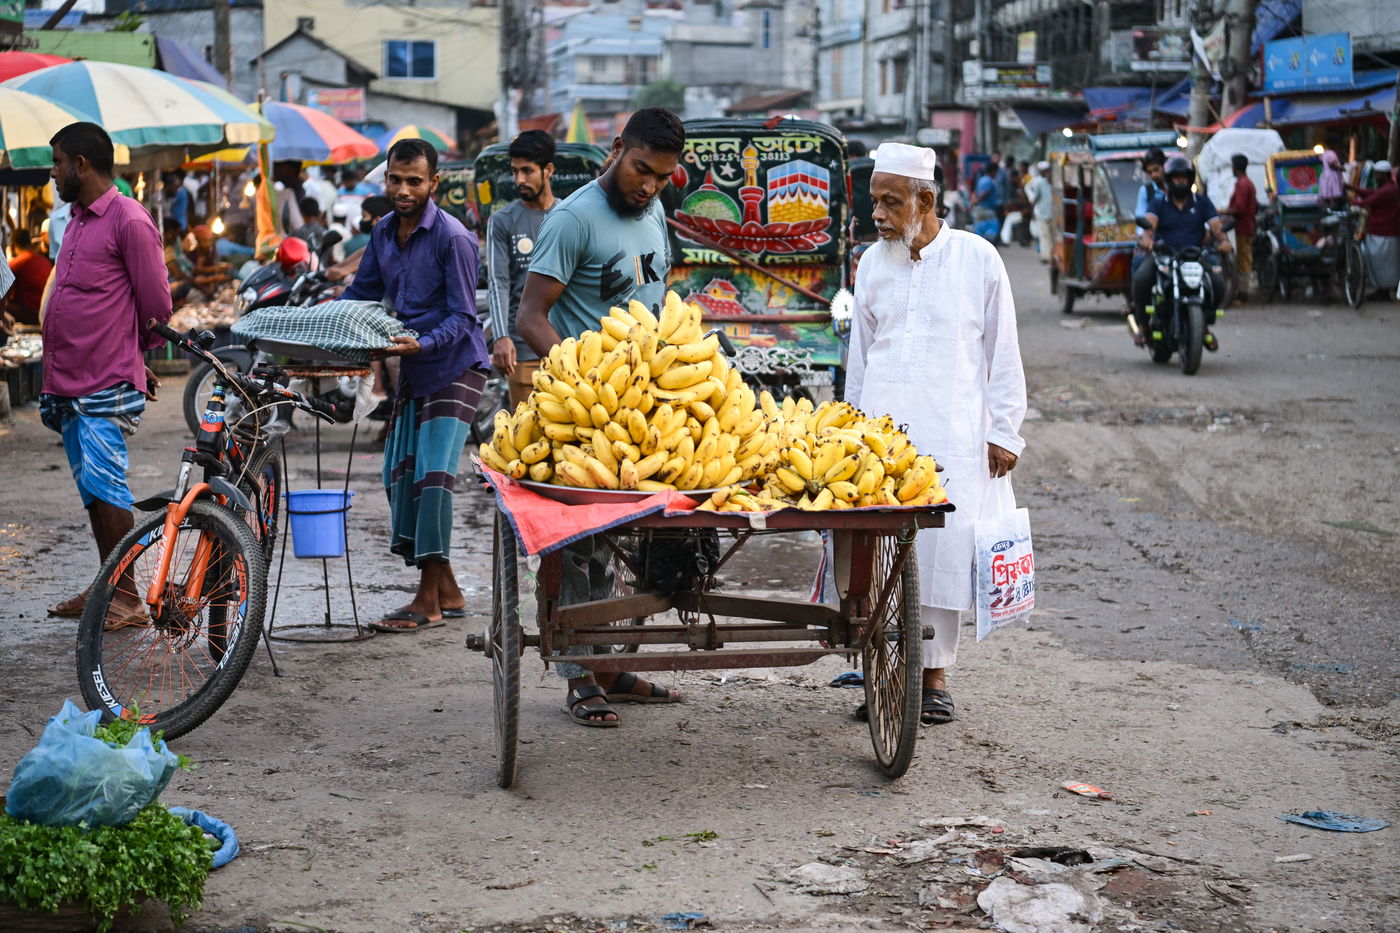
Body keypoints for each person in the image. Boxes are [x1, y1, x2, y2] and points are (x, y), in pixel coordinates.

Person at [516, 107, 686, 727]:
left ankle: (614, 665)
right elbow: (531, 316)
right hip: (586, 407)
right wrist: (581, 375)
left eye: (662, 177)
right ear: (617, 148)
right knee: (583, 546)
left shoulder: (654, 211)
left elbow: (657, 294)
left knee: (644, 542)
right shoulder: (572, 219)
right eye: (641, 169)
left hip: (648, 404)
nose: (647, 185)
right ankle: (580, 673)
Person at [846, 142, 1026, 726]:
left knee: (944, 555)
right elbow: (860, 358)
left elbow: (1002, 351)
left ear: (926, 200)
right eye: (875, 201)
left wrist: (1005, 431)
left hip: (953, 433)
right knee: (876, 558)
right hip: (879, 437)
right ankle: (881, 675)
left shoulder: (977, 259)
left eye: (891, 202)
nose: (879, 214)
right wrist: (847, 428)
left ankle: (934, 678)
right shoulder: (871, 263)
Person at [341, 138, 489, 633]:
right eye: (395, 180)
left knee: (432, 480)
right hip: (414, 367)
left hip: (456, 366)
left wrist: (419, 345)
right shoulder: (382, 231)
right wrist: (323, 328)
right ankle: (448, 589)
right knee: (398, 475)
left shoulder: (454, 237)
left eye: (414, 182)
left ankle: (426, 600)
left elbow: (463, 316)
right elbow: (361, 295)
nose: (403, 191)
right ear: (386, 179)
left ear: (434, 183)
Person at [41, 122, 173, 620]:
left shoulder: (129, 219)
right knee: (92, 491)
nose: (52, 173)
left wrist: (134, 355)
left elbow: (156, 305)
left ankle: (125, 595)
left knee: (107, 486)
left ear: (81, 164)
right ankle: (111, 585)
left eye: (57, 162)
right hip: (67, 379)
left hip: (103, 379)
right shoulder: (75, 219)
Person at [487, 129, 557, 408]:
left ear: (548, 170)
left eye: (527, 171)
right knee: (528, 441)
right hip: (522, 348)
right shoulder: (502, 221)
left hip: (569, 346)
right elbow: (498, 282)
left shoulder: (569, 216)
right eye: (515, 171)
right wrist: (501, 336)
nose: (520, 180)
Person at [1136, 155, 1232, 352]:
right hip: (1165, 256)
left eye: (1184, 177)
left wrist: (1224, 241)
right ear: (1169, 180)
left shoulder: (1202, 202)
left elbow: (1216, 226)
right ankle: (1143, 326)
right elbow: (1149, 226)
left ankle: (1203, 326)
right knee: (1141, 279)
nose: (1180, 181)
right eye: (1176, 177)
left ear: (1190, 178)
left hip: (1195, 256)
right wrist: (1147, 240)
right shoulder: (1158, 202)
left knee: (1218, 284)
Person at [1350, 159, 1399, 295]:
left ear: (1384, 175)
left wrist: (1351, 200)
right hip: (1383, 232)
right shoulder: (1390, 187)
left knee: (1382, 264)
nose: (1375, 178)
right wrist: (1354, 189)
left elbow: (1370, 200)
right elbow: (1372, 193)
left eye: (1377, 175)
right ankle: (1384, 289)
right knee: (1384, 264)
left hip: (1383, 232)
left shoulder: (1388, 190)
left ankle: (1383, 291)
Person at [1219, 153, 1258, 304]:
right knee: (1244, 258)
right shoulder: (1248, 182)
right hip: (1247, 225)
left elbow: (1239, 208)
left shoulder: (1242, 184)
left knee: (1243, 260)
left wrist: (1222, 211)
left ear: (1235, 167)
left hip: (1244, 226)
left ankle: (1243, 295)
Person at [6, 229, 53, 325]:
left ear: (12, 246)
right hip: (48, 311)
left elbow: (4, 293)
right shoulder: (44, 261)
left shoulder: (16, 263)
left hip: (31, 313)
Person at [188, 224, 232, 293]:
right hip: (198, 288)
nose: (209, 244)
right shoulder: (194, 254)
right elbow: (197, 275)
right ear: (198, 241)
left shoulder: (208, 252)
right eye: (205, 241)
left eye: (210, 241)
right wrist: (214, 277)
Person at [1025, 161, 1053, 263]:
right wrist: (1032, 212)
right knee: (1044, 236)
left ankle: (1052, 256)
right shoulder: (1040, 183)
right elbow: (1035, 198)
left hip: (1055, 215)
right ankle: (1045, 257)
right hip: (1043, 214)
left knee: (1052, 236)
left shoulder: (1055, 184)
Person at [972, 160, 1003, 242]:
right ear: (993, 171)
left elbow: (975, 192)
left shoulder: (981, 180)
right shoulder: (989, 181)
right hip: (987, 209)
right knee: (994, 227)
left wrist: (975, 202)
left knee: (979, 231)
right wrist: (978, 200)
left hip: (979, 209)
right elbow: (986, 192)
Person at [1319, 147, 1345, 211]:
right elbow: (1332, 164)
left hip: (1325, 175)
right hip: (1332, 176)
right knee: (1332, 194)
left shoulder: (1325, 153)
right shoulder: (1331, 153)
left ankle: (1328, 210)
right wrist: (1342, 168)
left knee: (1328, 193)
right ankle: (1332, 210)